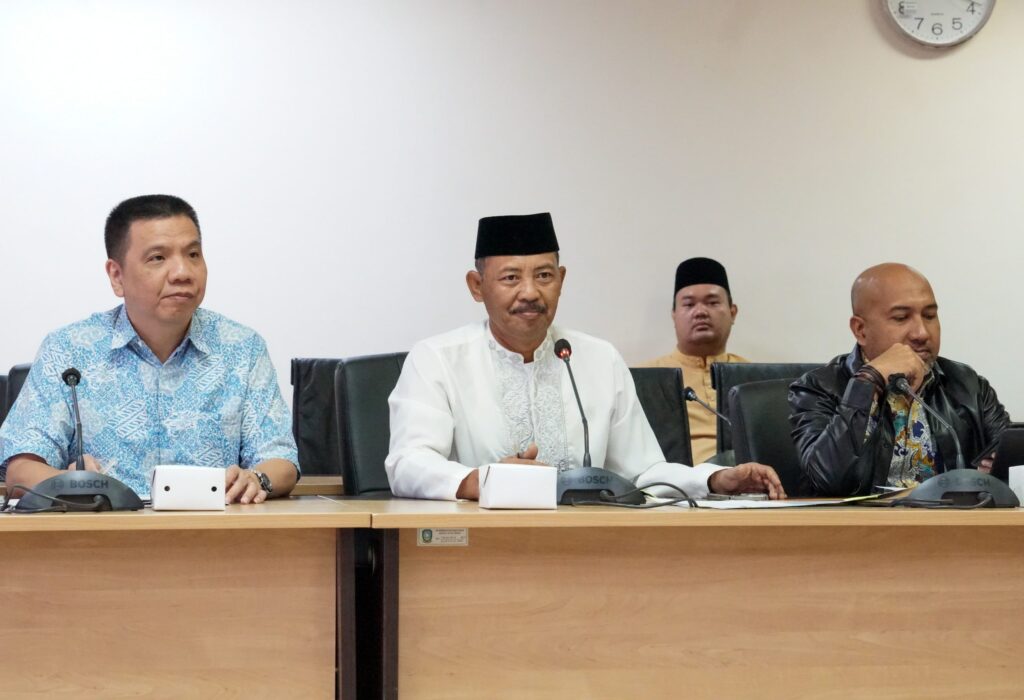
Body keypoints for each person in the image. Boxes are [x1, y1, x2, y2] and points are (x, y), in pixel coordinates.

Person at [385, 213, 783, 501]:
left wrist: (714, 480)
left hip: (589, 546)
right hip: (476, 548)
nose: (530, 292)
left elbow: (643, 471)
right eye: (510, 278)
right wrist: (480, 480)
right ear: (477, 286)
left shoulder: (597, 358)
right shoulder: (437, 359)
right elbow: (407, 462)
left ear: (561, 281)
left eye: (544, 275)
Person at [0, 194, 298, 504]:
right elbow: (20, 472)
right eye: (158, 258)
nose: (182, 272)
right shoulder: (68, 350)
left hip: (214, 528)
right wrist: (73, 482)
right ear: (117, 276)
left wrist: (257, 479)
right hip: (103, 529)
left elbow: (282, 460)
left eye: (193, 254)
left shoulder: (242, 348)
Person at [789, 262, 1009, 497]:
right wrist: (868, 381)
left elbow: (1011, 457)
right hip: (862, 520)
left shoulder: (968, 385)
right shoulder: (818, 388)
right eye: (901, 318)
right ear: (860, 330)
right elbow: (827, 481)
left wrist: (998, 472)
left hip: (949, 519)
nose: (922, 333)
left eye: (930, 316)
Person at [641, 257, 747, 464]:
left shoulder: (754, 378)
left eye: (712, 302)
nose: (700, 312)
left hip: (748, 480)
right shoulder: (646, 379)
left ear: (733, 312)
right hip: (674, 483)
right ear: (674, 315)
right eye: (689, 304)